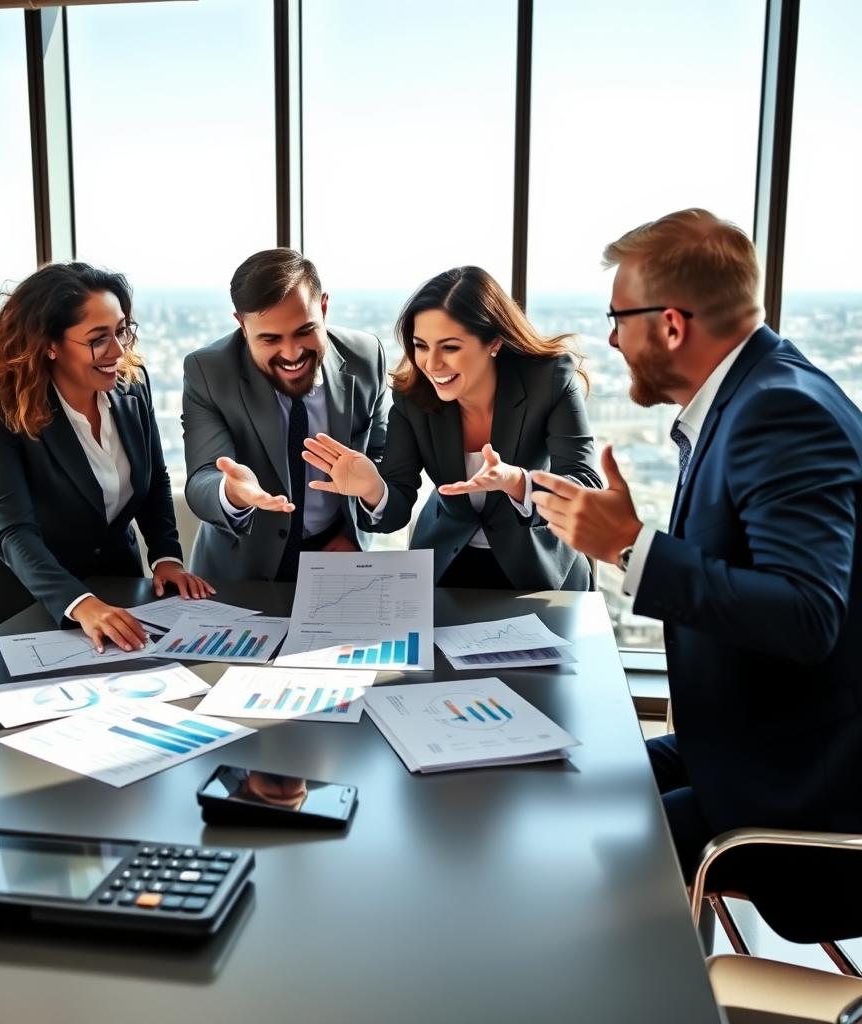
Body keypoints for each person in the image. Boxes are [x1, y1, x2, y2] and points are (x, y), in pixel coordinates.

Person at [530, 209, 862, 939]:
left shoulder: (778, 410)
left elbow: (808, 617)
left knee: (567, 870)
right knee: (558, 788)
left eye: (618, 317)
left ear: (672, 325)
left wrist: (628, 547)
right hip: (742, 746)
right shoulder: (751, 396)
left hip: (796, 794)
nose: (612, 338)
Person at [0, 262, 213, 655]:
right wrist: (80, 603)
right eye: (98, 338)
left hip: (110, 588)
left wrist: (166, 558)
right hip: (12, 602)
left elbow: (154, 478)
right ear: (49, 344)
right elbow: (13, 532)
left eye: (121, 330)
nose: (118, 350)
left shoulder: (131, 385)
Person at [302, 266, 601, 590]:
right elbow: (395, 511)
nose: (432, 364)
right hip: (446, 564)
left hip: (540, 567)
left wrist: (517, 482)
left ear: (494, 342)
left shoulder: (551, 379)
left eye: (450, 347)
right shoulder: (412, 396)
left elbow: (585, 487)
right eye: (421, 345)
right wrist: (373, 488)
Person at [181, 248, 388, 582]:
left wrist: (353, 534)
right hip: (241, 571)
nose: (292, 354)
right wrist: (233, 492)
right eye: (271, 338)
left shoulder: (365, 358)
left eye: (304, 330)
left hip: (337, 561)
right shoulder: (209, 370)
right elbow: (203, 478)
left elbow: (379, 460)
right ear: (242, 325)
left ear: (323, 307)